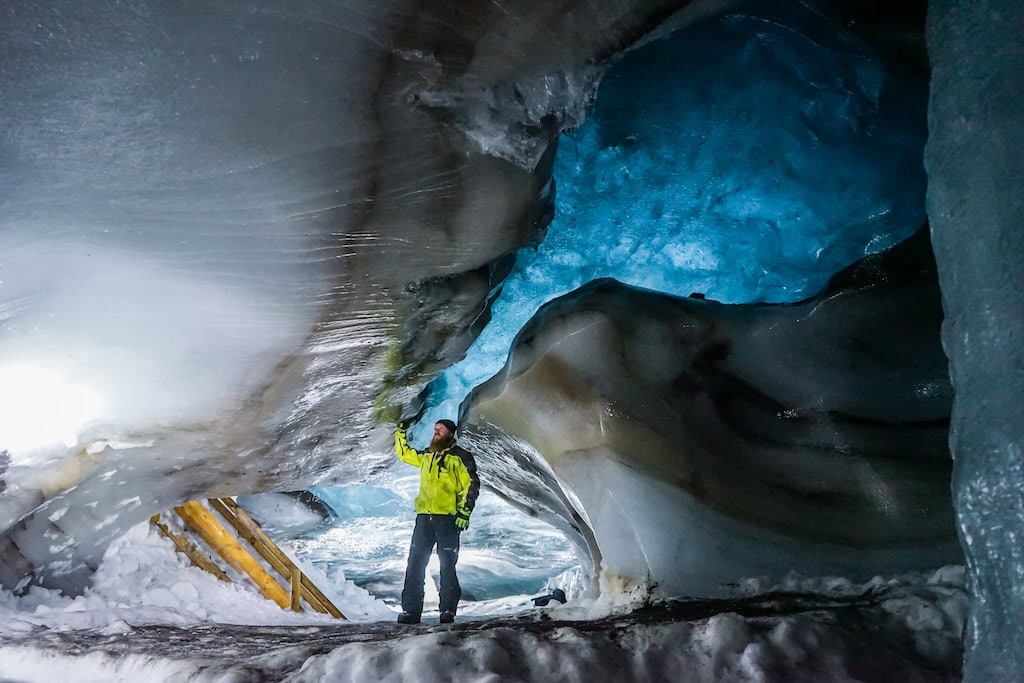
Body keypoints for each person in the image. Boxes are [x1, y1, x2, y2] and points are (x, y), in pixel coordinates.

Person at [394, 419, 480, 624]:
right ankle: (411, 611)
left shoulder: (460, 457)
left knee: (447, 565)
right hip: (424, 518)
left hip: (447, 519)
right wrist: (401, 432)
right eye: (435, 430)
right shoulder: (427, 456)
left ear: (450, 433)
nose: (436, 433)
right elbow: (404, 453)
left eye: (440, 430)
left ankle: (447, 610)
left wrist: (464, 513)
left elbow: (471, 485)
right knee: (415, 564)